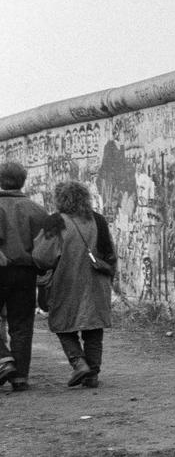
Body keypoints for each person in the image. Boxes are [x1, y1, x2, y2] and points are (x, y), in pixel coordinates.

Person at [32, 181, 118, 389]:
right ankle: (92, 374)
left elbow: (41, 256)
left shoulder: (55, 222)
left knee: (62, 324)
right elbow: (111, 254)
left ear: (60, 199)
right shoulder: (97, 220)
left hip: (66, 282)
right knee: (94, 327)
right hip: (97, 282)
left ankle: (79, 363)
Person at [0, 162, 52, 391]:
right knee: (22, 323)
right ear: (23, 181)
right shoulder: (37, 210)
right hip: (25, 272)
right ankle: (19, 377)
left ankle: (3, 360)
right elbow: (45, 249)